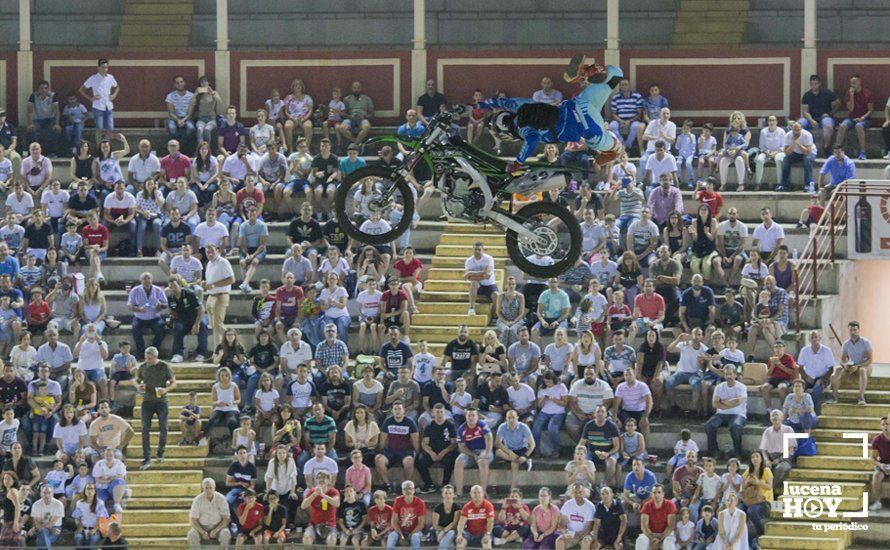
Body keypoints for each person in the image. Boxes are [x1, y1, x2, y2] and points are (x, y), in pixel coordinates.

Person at [135, 347, 175, 470]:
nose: (148, 360)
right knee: (145, 429)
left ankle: (160, 452)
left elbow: (174, 382)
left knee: (163, 427)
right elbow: (137, 380)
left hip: (161, 401)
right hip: (147, 401)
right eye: (146, 358)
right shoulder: (142, 367)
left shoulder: (164, 366)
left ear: (155, 357)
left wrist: (166, 389)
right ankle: (147, 456)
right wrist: (139, 387)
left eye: (150, 358)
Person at [705, 365, 747, 459]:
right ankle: (715, 452)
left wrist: (723, 402)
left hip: (738, 415)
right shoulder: (719, 387)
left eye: (731, 374)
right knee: (709, 425)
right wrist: (730, 403)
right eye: (726, 374)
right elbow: (715, 404)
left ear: (735, 375)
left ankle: (737, 453)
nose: (728, 377)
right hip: (720, 414)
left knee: (735, 427)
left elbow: (739, 401)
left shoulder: (742, 387)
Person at [417, 403, 459, 494]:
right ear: (433, 413)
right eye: (437, 412)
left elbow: (453, 443)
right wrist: (431, 453)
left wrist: (443, 452)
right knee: (420, 461)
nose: (439, 414)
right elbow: (424, 443)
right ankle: (429, 484)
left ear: (444, 413)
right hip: (433, 451)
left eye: (441, 412)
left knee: (451, 459)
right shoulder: (429, 426)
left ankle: (445, 485)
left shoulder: (450, 425)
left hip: (446, 450)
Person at [830, 320, 873, 405]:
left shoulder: (866, 342)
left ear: (859, 330)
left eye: (855, 330)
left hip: (864, 365)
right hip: (852, 365)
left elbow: (870, 360)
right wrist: (845, 365)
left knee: (862, 371)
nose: (853, 332)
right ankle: (834, 396)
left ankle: (861, 396)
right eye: (851, 330)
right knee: (838, 370)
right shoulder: (846, 344)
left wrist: (858, 366)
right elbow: (842, 359)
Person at [127, 272, 168, 361]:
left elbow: (165, 304)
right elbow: (129, 306)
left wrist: (160, 305)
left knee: (161, 329)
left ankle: (153, 351)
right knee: (135, 330)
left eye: (148, 278)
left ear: (152, 280)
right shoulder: (135, 290)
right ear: (140, 280)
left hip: (155, 318)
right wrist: (139, 309)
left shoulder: (158, 290)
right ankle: (141, 353)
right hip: (140, 318)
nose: (146, 280)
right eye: (144, 278)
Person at [79, 59, 119, 145]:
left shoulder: (110, 77)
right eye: (103, 67)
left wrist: (114, 95)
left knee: (110, 128)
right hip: (98, 106)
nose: (105, 69)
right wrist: (90, 98)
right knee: (99, 129)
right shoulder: (93, 78)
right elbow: (81, 89)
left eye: (106, 67)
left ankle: (106, 147)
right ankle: (99, 148)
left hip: (108, 105)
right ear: (98, 68)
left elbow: (117, 86)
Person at [454, 408, 493, 497]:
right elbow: (462, 447)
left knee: (482, 461)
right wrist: (473, 455)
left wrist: (487, 453)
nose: (471, 418)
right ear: (466, 417)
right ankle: (459, 492)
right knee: (459, 461)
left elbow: (489, 438)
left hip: (484, 450)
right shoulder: (461, 429)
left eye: (473, 415)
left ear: (477, 416)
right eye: (469, 415)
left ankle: (483, 492)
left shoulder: (482, 425)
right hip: (470, 452)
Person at [834, 74, 873, 160]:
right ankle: (837, 150)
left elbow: (870, 110)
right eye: (851, 83)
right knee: (842, 126)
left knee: (858, 126)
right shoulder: (849, 93)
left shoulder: (868, 94)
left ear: (860, 82)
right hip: (851, 118)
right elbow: (851, 109)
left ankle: (863, 152)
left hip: (864, 119)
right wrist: (851, 96)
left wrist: (862, 118)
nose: (852, 85)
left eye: (854, 82)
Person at [579, 404, 620, 487]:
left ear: (606, 414)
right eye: (598, 412)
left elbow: (616, 446)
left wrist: (607, 453)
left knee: (611, 462)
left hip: (608, 452)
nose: (600, 414)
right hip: (592, 451)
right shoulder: (589, 425)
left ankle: (605, 485)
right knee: (584, 462)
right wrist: (578, 454)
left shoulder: (612, 426)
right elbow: (582, 443)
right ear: (594, 414)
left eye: (602, 412)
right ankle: (589, 487)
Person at [799, 74, 840, 154]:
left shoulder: (827, 93)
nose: (814, 86)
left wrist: (830, 114)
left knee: (828, 126)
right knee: (799, 125)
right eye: (812, 84)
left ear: (819, 83)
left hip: (824, 117)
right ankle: (803, 148)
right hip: (810, 117)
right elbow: (805, 112)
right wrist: (811, 120)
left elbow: (838, 104)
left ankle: (826, 147)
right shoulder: (806, 96)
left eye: (815, 84)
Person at [495, 408, 536, 489]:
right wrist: (509, 452)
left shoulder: (523, 427)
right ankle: (524, 462)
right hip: (509, 450)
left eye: (513, 417)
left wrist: (525, 456)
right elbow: (497, 443)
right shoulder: (502, 427)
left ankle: (512, 489)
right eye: (509, 418)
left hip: (521, 449)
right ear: (506, 419)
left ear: (517, 418)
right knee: (498, 452)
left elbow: (532, 444)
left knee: (514, 464)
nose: (511, 420)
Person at [797, 330, 835, 413]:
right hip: (808, 377)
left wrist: (821, 379)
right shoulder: (804, 350)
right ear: (809, 340)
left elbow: (831, 369)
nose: (814, 339)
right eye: (812, 338)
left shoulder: (827, 351)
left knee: (816, 390)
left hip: (823, 378)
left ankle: (812, 412)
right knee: (797, 388)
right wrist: (806, 377)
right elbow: (800, 368)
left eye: (816, 337)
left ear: (820, 338)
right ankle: (796, 411)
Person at [188, 478, 232, 549]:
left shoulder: (221, 498)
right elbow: (193, 520)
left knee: (226, 534)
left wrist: (216, 530)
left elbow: (226, 518)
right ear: (203, 488)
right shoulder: (197, 500)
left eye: (210, 488)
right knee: (191, 534)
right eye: (206, 488)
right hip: (201, 526)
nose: (208, 490)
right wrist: (202, 532)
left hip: (218, 526)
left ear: (214, 487)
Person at [634, 484, 676, 550]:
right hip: (650, 533)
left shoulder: (670, 504)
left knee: (668, 543)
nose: (656, 495)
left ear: (663, 494)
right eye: (654, 492)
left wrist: (659, 538)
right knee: (641, 540)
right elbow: (644, 526)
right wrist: (652, 538)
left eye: (659, 492)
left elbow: (670, 526)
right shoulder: (647, 505)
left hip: (666, 533)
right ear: (651, 494)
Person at [457, 484, 495, 550]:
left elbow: (490, 522)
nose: (476, 495)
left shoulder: (488, 505)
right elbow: (461, 522)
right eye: (474, 492)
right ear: (471, 494)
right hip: (469, 533)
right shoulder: (467, 506)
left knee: (487, 544)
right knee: (460, 543)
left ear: (482, 493)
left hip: (484, 533)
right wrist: (459, 534)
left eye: (478, 492)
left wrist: (488, 534)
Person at [28, 485, 64, 549]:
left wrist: (37, 526)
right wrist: (39, 525)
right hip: (44, 529)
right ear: (41, 494)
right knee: (42, 531)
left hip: (55, 529)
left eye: (49, 493)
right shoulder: (36, 504)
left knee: (40, 541)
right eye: (44, 493)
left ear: (53, 494)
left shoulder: (58, 504)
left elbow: (51, 524)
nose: (47, 495)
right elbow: (36, 523)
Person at [592, 486, 626, 550]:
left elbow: (624, 521)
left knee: (619, 546)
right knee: (595, 546)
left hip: (616, 534)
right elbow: (596, 524)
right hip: (603, 534)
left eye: (607, 493)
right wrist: (595, 539)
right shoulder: (599, 506)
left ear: (612, 495)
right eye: (603, 494)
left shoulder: (618, 505)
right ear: (600, 496)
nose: (605, 496)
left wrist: (619, 537)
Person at [869, 416, 890, 511]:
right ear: (881, 426)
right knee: (876, 475)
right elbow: (873, 458)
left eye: (888, 424)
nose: (886, 426)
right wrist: (880, 465)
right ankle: (877, 502)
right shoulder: (877, 439)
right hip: (883, 466)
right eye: (883, 424)